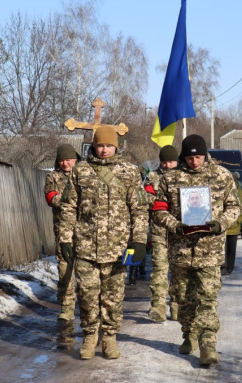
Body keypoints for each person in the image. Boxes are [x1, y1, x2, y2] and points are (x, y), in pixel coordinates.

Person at [58, 126, 149, 360]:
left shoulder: (129, 172)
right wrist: (66, 239)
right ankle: (89, 336)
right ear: (94, 146)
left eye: (109, 145)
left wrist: (138, 241)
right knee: (87, 295)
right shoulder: (80, 171)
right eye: (101, 145)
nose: (105, 149)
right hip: (86, 246)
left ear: (116, 147)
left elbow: (139, 209)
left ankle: (109, 337)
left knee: (113, 297)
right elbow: (69, 207)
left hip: (118, 248)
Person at [153, 134, 242, 366]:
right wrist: (175, 225)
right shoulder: (170, 179)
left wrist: (220, 223)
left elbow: (235, 207)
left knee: (208, 299)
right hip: (181, 250)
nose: (195, 162)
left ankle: (208, 345)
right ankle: (188, 334)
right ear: (184, 156)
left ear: (205, 155)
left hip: (209, 251)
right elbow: (159, 209)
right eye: (190, 157)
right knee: (183, 298)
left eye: (199, 157)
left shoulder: (222, 176)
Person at [143, 145, 179, 322]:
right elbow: (147, 199)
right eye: (164, 162)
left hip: (180, 232)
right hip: (159, 231)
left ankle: (177, 305)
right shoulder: (152, 178)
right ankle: (158, 305)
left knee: (179, 270)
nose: (167, 165)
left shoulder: (184, 177)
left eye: (171, 161)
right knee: (159, 268)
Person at [43, 144, 77, 325]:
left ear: (75, 159)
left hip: (85, 230)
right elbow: (50, 197)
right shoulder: (53, 177)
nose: (65, 163)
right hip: (63, 228)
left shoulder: (83, 175)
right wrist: (71, 201)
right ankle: (67, 305)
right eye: (62, 160)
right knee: (65, 266)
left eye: (68, 159)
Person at [223, 174, 242, 275]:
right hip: (221, 226)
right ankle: (222, 267)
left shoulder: (238, 192)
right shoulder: (220, 191)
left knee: (230, 249)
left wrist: (238, 220)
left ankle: (229, 267)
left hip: (233, 227)